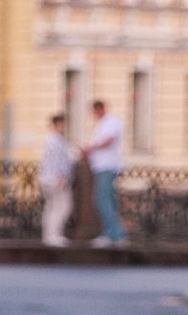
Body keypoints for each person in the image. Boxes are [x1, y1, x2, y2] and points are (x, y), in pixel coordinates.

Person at [83, 95, 126, 246]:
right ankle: (116, 232)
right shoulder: (103, 123)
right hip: (102, 166)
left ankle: (112, 233)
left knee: (102, 200)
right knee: (109, 201)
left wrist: (90, 149)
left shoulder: (112, 121)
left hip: (107, 166)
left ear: (99, 109)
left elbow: (108, 141)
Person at [39, 111, 77, 250]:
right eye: (62, 124)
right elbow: (57, 161)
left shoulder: (53, 140)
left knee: (52, 207)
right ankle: (53, 236)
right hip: (56, 179)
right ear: (58, 124)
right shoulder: (55, 141)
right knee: (61, 206)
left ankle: (50, 235)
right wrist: (60, 177)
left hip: (49, 178)